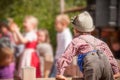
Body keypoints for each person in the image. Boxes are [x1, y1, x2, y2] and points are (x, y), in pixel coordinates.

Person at [56, 11, 120, 80]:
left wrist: (60, 73)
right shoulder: (100, 42)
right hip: (106, 66)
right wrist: (116, 71)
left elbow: (66, 57)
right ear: (91, 30)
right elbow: (110, 58)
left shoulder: (76, 41)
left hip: (92, 66)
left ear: (75, 30)